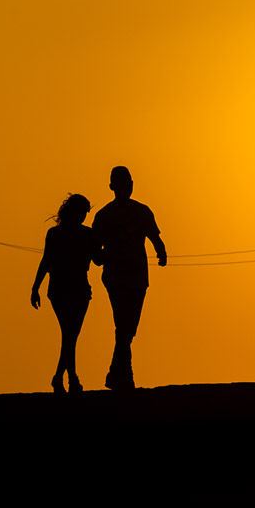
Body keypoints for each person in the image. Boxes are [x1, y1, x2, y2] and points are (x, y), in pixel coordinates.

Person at [92, 166, 167, 391]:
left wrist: (161, 252)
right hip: (122, 276)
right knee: (125, 324)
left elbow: (155, 238)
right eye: (124, 183)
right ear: (113, 187)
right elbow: (96, 253)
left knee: (126, 325)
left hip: (133, 276)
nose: (127, 187)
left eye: (129, 183)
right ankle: (123, 374)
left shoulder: (138, 212)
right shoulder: (107, 215)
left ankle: (118, 372)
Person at [31, 194, 96, 394]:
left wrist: (36, 287)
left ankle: (64, 378)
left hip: (68, 287)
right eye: (83, 212)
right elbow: (46, 260)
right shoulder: (77, 234)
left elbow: (46, 260)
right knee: (70, 334)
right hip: (67, 287)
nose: (84, 216)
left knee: (69, 334)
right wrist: (35, 287)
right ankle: (68, 378)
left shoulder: (62, 234)